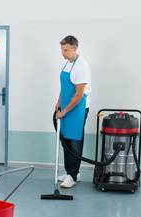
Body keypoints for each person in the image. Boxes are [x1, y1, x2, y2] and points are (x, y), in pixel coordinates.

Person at [54, 35, 91, 188]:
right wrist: (58, 102)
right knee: (66, 141)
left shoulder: (81, 66)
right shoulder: (67, 64)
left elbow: (78, 95)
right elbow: (65, 88)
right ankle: (71, 171)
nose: (63, 53)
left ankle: (73, 176)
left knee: (74, 141)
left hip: (78, 108)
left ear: (74, 49)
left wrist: (64, 111)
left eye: (66, 50)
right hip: (67, 106)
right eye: (62, 50)